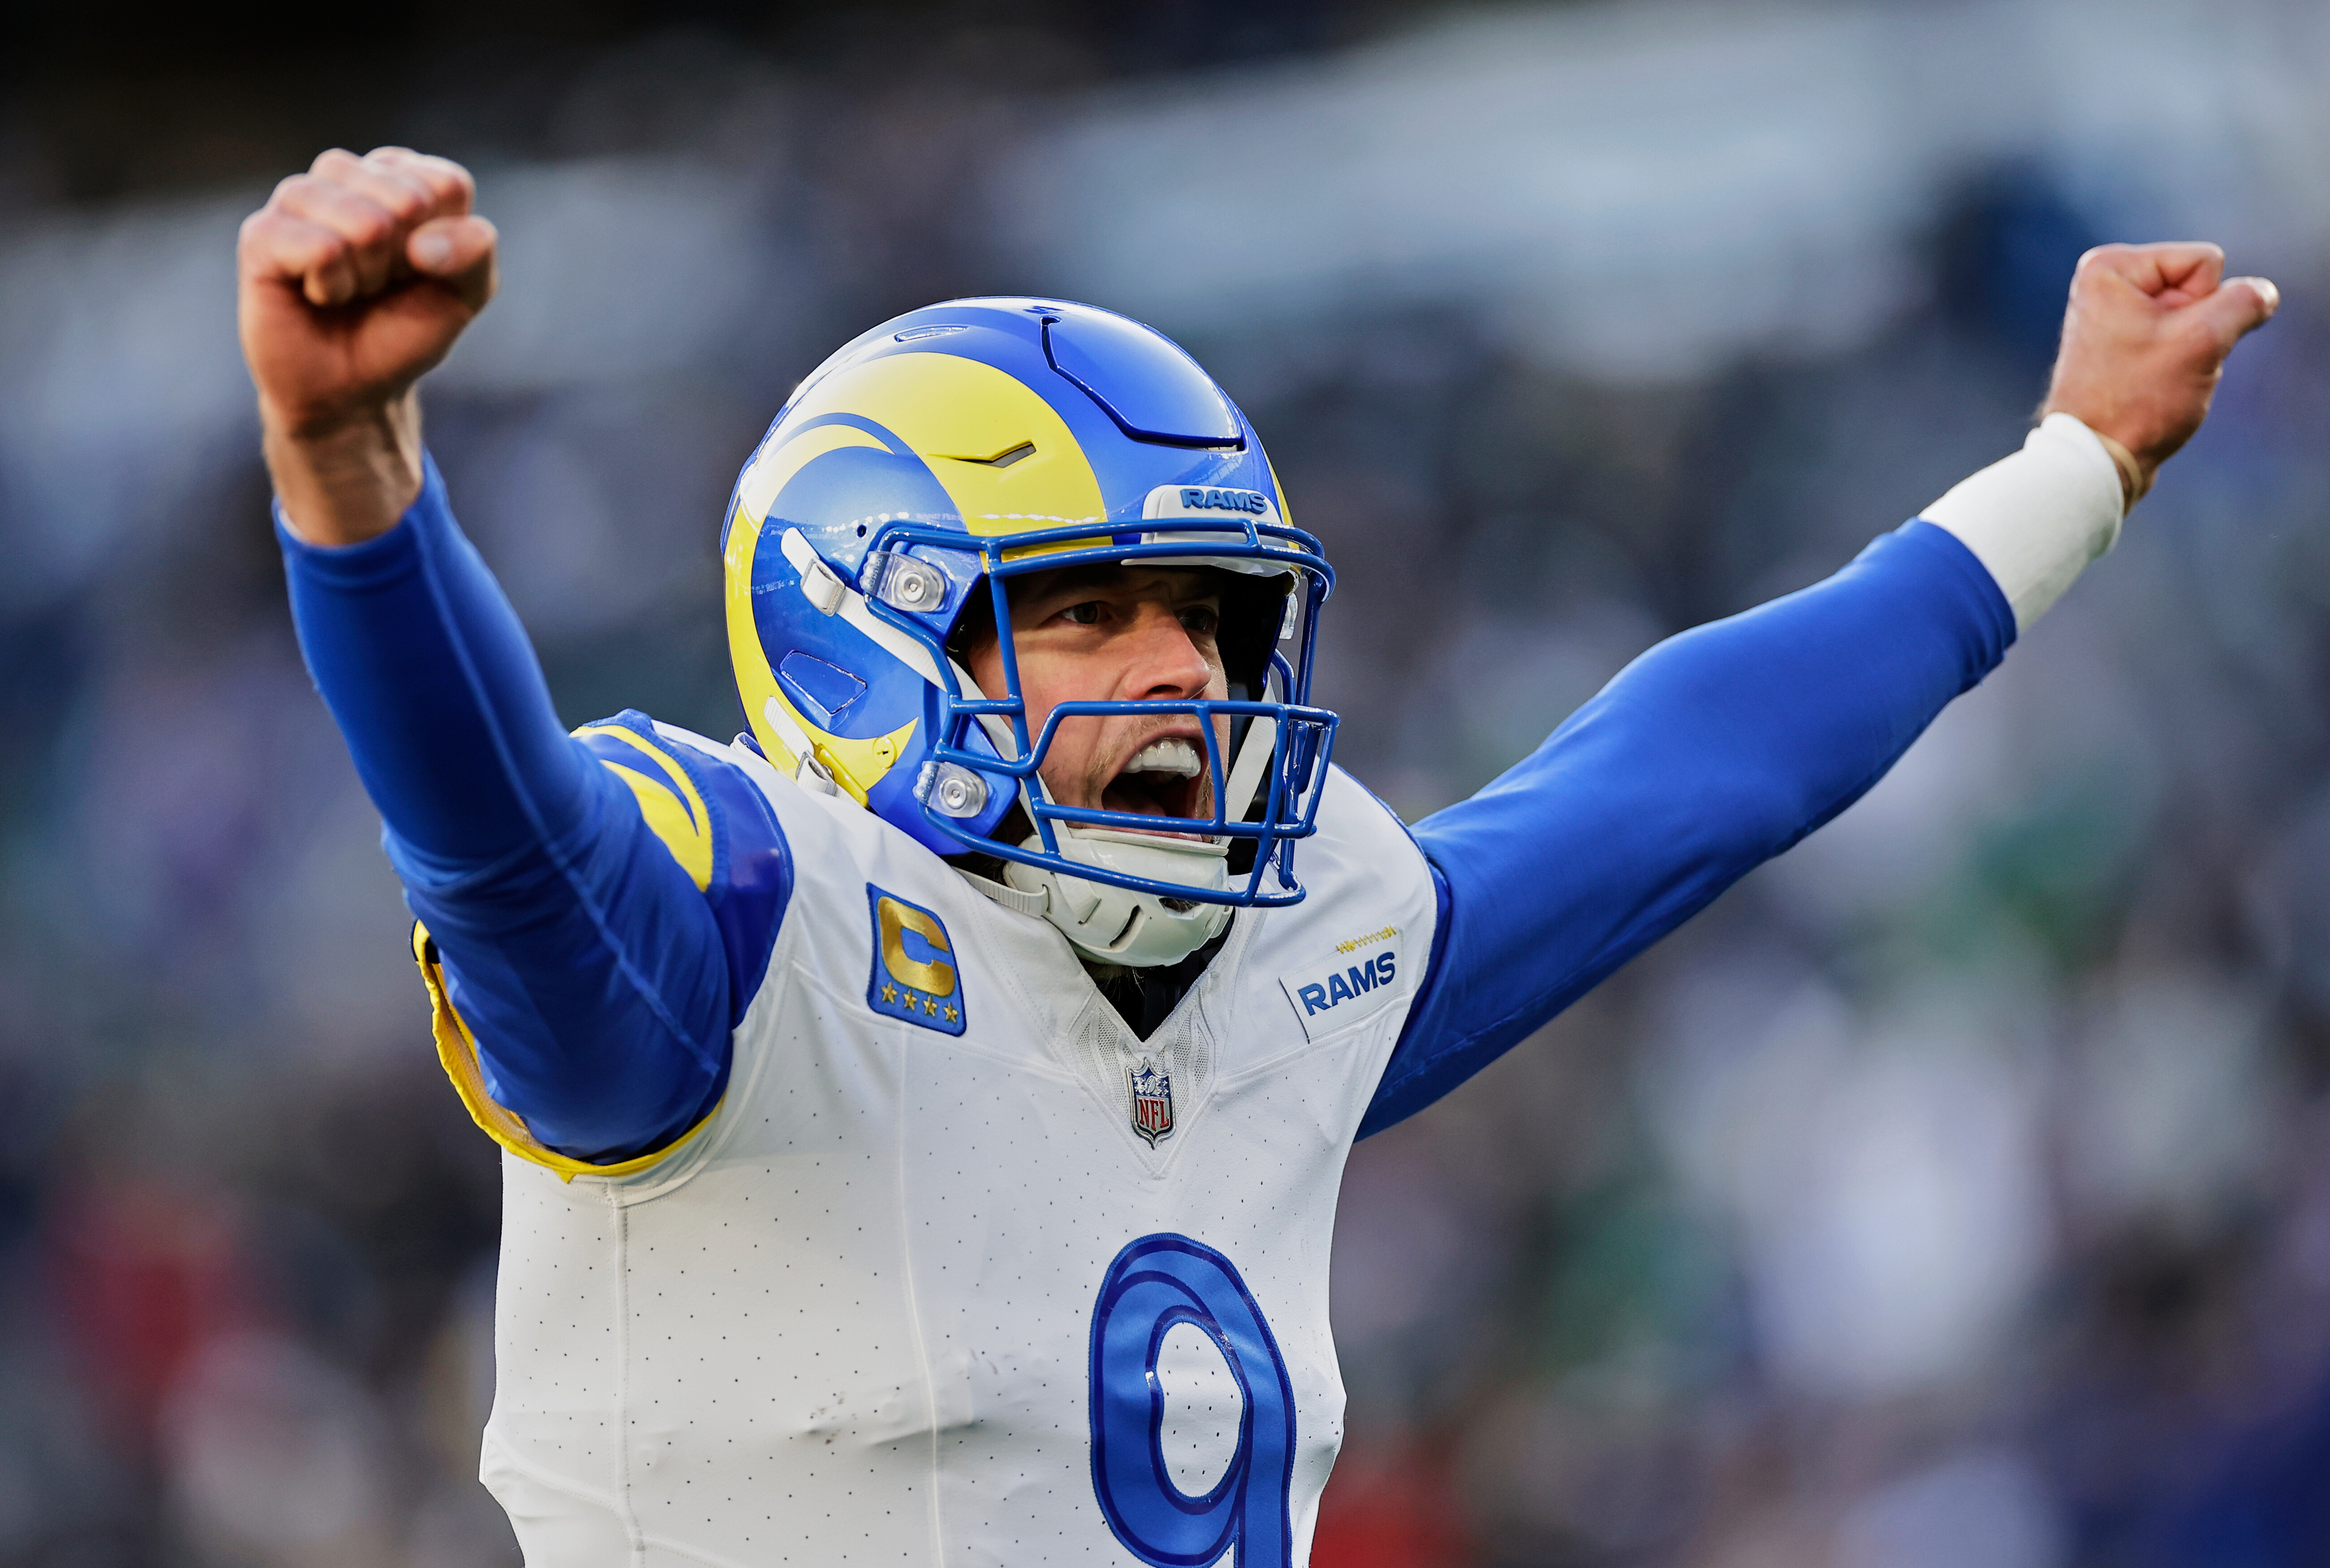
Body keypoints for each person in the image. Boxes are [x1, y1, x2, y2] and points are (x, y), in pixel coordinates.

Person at [241, 145, 2277, 1566]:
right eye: (1088, 613)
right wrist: (353, 477)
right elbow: (494, 846)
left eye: (1207, 622)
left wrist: (2070, 468)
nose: (1177, 680)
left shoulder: (1295, 955)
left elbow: (1686, 769)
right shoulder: (738, 952)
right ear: (862, 623)